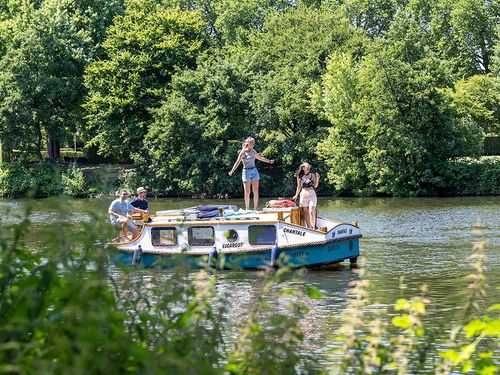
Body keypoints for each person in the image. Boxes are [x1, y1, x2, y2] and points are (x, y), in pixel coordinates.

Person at [228, 137, 275, 210]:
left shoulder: (253, 151)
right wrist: (232, 171)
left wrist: (269, 161)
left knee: (256, 191)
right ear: (248, 143)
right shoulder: (243, 152)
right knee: (247, 192)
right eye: (252, 143)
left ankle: (255, 208)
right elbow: (237, 162)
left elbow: (260, 158)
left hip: (254, 171)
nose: (253, 144)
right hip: (246, 171)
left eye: (254, 143)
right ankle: (247, 208)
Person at [292, 162, 320, 229]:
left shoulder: (312, 175)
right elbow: (298, 187)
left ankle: (313, 227)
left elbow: (315, 186)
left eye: (308, 167)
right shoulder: (299, 176)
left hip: (312, 194)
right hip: (303, 195)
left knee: (312, 210)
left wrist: (318, 178)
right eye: (306, 167)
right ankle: (309, 227)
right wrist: (296, 195)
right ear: (303, 168)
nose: (308, 168)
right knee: (306, 213)